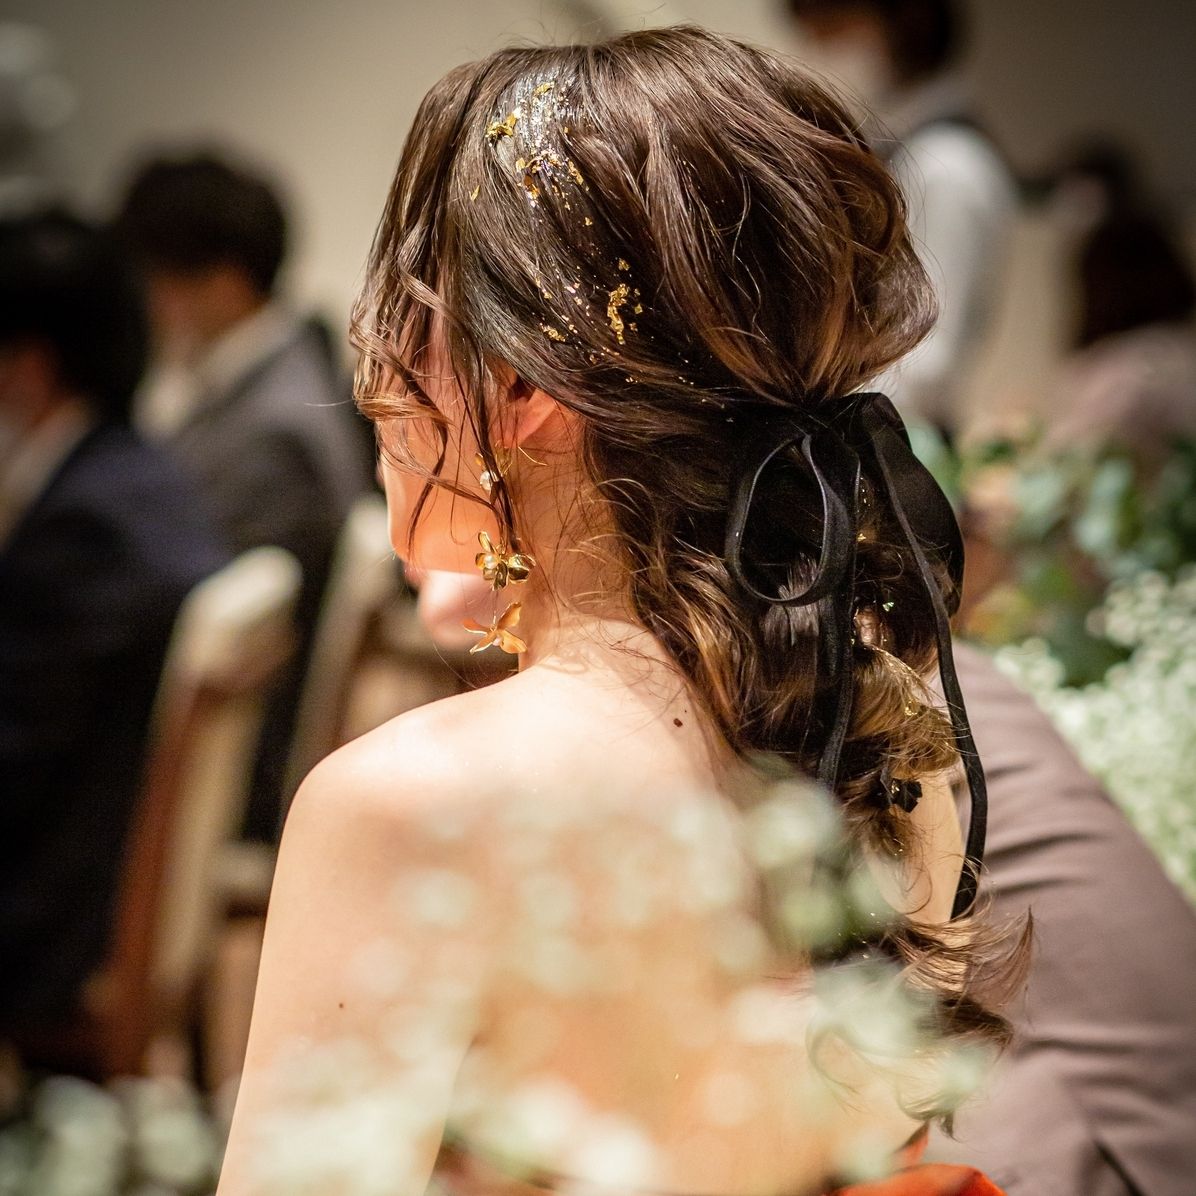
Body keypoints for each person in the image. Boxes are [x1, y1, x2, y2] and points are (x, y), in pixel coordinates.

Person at [217, 28, 1019, 1195]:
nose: (372, 366)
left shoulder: (407, 806)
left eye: (400, 308)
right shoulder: (891, 745)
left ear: (523, 382)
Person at [0, 210, 225, 1029]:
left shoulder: (86, 528)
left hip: (53, 922)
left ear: (29, 368)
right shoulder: (138, 479)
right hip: (92, 873)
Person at [114, 153, 369, 839]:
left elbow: (180, 619)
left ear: (223, 282)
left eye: (154, 279)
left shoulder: (273, 432)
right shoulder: (284, 375)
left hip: (235, 780)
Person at [786, 0, 1016, 442]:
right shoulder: (910, 153)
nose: (815, 50)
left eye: (830, 30)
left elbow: (929, 356)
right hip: (878, 429)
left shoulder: (948, 164)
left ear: (905, 22)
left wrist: (802, 409)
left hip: (896, 438)